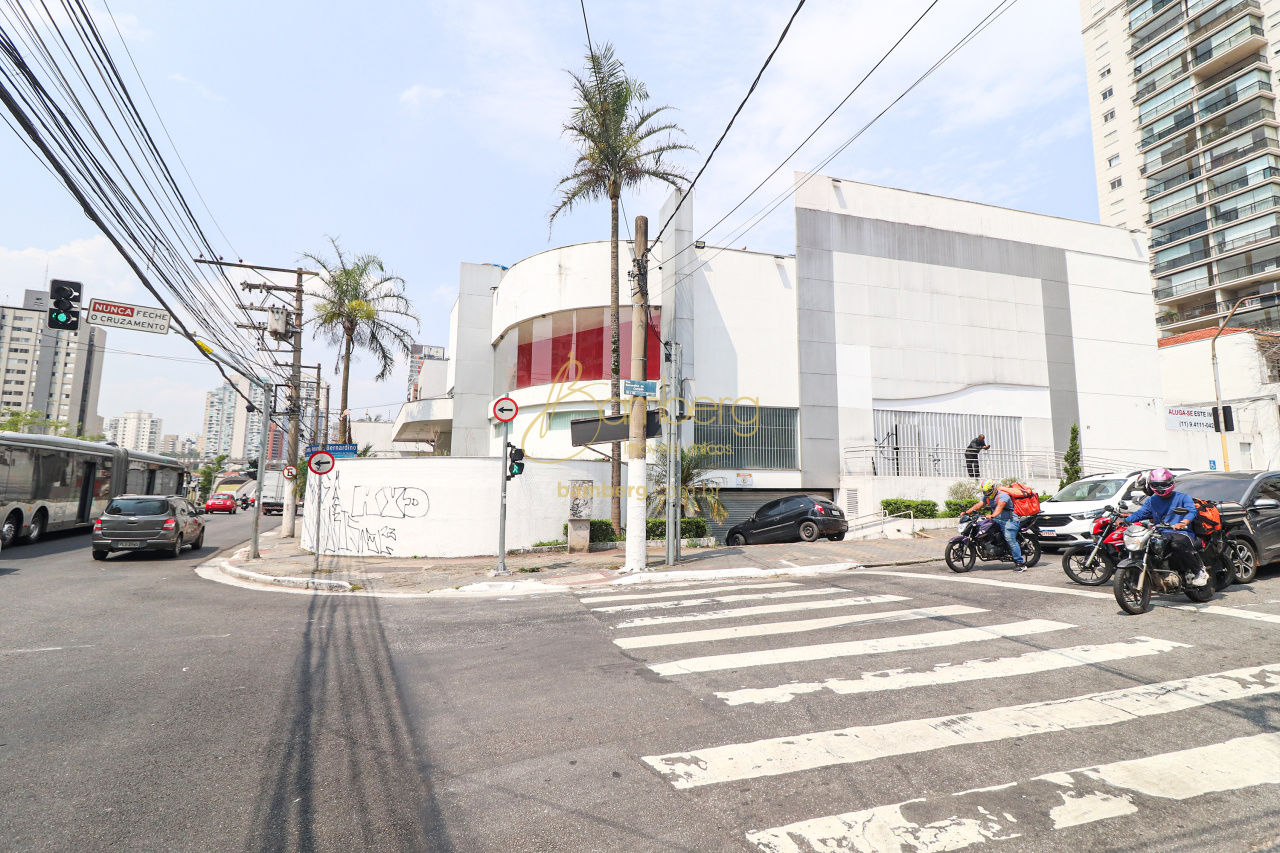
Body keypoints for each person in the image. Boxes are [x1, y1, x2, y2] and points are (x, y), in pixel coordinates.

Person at [1124, 467, 1209, 586]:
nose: (1160, 488)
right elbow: (1140, 513)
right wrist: (1124, 520)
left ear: (1170, 483)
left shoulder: (1183, 497)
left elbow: (1191, 511)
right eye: (1156, 485)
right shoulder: (1152, 500)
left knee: (1176, 545)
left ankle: (1199, 571)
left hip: (1181, 532)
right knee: (1141, 546)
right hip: (1160, 533)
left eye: (1163, 484)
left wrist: (1183, 522)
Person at [965, 478, 1026, 572]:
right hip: (996, 520)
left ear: (994, 488)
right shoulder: (987, 497)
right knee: (984, 531)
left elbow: (1000, 507)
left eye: (988, 491)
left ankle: (1020, 563)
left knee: (1010, 539)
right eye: (985, 491)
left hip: (1009, 520)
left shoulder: (1003, 495)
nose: (987, 493)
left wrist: (992, 515)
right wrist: (966, 512)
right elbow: (979, 505)